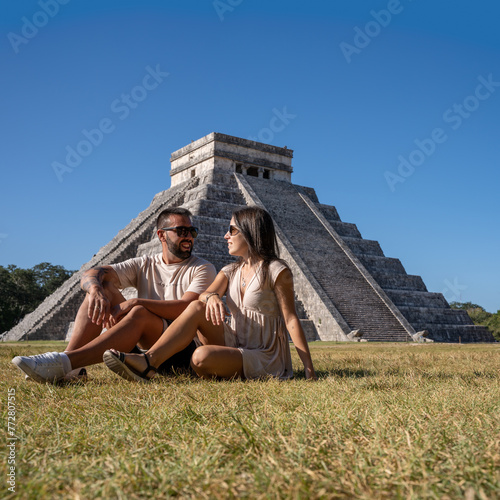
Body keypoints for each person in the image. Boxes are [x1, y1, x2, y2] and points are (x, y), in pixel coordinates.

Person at [103, 206, 317, 382]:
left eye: (232, 230)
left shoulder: (276, 270)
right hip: (234, 341)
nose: (226, 236)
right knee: (197, 307)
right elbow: (205, 295)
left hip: (264, 353)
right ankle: (148, 362)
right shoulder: (231, 270)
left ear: (250, 232)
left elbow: (290, 319)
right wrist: (212, 297)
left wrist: (309, 370)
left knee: (200, 357)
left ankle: (158, 364)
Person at [12, 207, 217, 383]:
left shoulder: (202, 268)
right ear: (161, 235)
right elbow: (92, 273)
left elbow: (186, 307)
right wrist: (95, 290)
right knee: (104, 289)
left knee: (139, 312)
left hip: (178, 351)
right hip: (143, 344)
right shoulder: (144, 263)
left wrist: (136, 302)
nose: (188, 236)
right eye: (181, 231)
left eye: (192, 231)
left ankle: (63, 362)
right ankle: (71, 368)